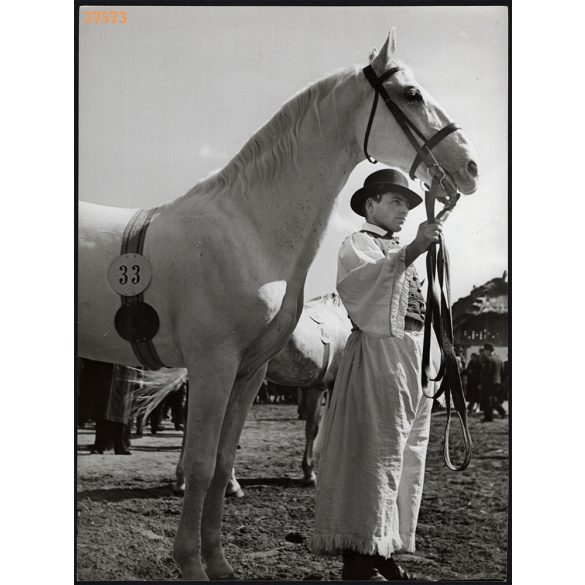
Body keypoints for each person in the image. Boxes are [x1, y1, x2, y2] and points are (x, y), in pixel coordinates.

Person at [310, 168, 441, 581]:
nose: (403, 211)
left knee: (405, 455)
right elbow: (366, 293)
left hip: (413, 357)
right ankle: (358, 553)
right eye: (396, 202)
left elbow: (418, 304)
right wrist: (414, 249)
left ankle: (384, 546)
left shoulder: (402, 248)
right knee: (374, 453)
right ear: (371, 204)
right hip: (379, 355)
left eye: (407, 204)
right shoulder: (357, 243)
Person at [479, 342, 506, 422]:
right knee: (493, 399)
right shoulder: (499, 359)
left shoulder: (488, 360)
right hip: (497, 382)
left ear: (487, 350)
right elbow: (502, 372)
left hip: (488, 383)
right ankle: (502, 411)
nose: (484, 353)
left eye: (484, 351)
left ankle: (488, 417)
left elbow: (486, 372)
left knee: (487, 400)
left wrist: (481, 382)